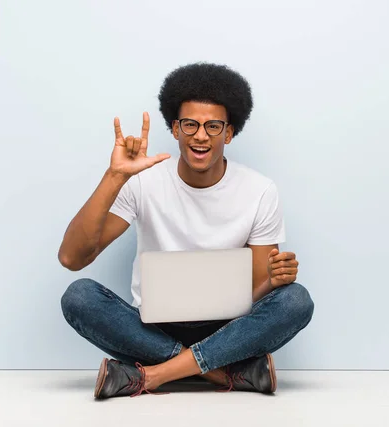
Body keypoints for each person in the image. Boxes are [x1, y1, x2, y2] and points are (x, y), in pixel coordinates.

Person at [58, 62, 314, 399]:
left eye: (213, 126)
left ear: (229, 133)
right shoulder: (143, 182)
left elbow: (255, 291)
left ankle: (152, 375)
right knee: (78, 296)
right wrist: (115, 176)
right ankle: (221, 374)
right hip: (152, 327)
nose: (201, 135)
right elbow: (72, 257)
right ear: (175, 128)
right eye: (190, 124)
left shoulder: (259, 190)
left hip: (227, 329)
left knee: (295, 300)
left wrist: (274, 280)